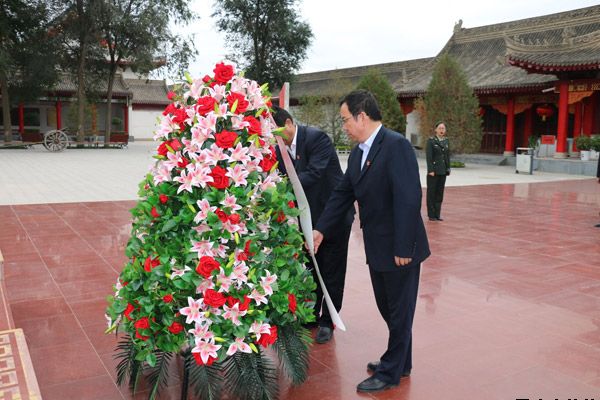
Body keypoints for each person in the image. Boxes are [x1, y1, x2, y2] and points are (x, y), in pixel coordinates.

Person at [312, 90, 430, 393]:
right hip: (377, 245)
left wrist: (404, 247)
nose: (344, 126)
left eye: (345, 119)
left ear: (361, 116)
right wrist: (321, 229)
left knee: (399, 310)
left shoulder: (395, 146)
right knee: (389, 307)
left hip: (399, 248)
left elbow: (409, 198)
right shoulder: (358, 153)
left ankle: (391, 371)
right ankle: (402, 361)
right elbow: (342, 193)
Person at [271, 106, 354, 344]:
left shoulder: (316, 138)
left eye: (276, 132)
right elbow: (277, 175)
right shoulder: (281, 149)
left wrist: (277, 188)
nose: (275, 139)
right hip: (307, 218)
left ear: (288, 123)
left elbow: (313, 174)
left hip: (333, 216)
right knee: (310, 268)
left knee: (331, 270)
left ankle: (329, 320)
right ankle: (311, 314)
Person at [425, 121, 450, 221]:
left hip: (442, 171)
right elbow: (429, 157)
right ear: (435, 130)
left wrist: (448, 168)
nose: (441, 130)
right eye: (439, 128)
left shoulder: (446, 141)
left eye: (443, 128)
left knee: (439, 193)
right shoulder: (431, 141)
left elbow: (447, 156)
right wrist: (430, 170)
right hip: (434, 171)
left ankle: (437, 214)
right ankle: (431, 215)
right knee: (431, 193)